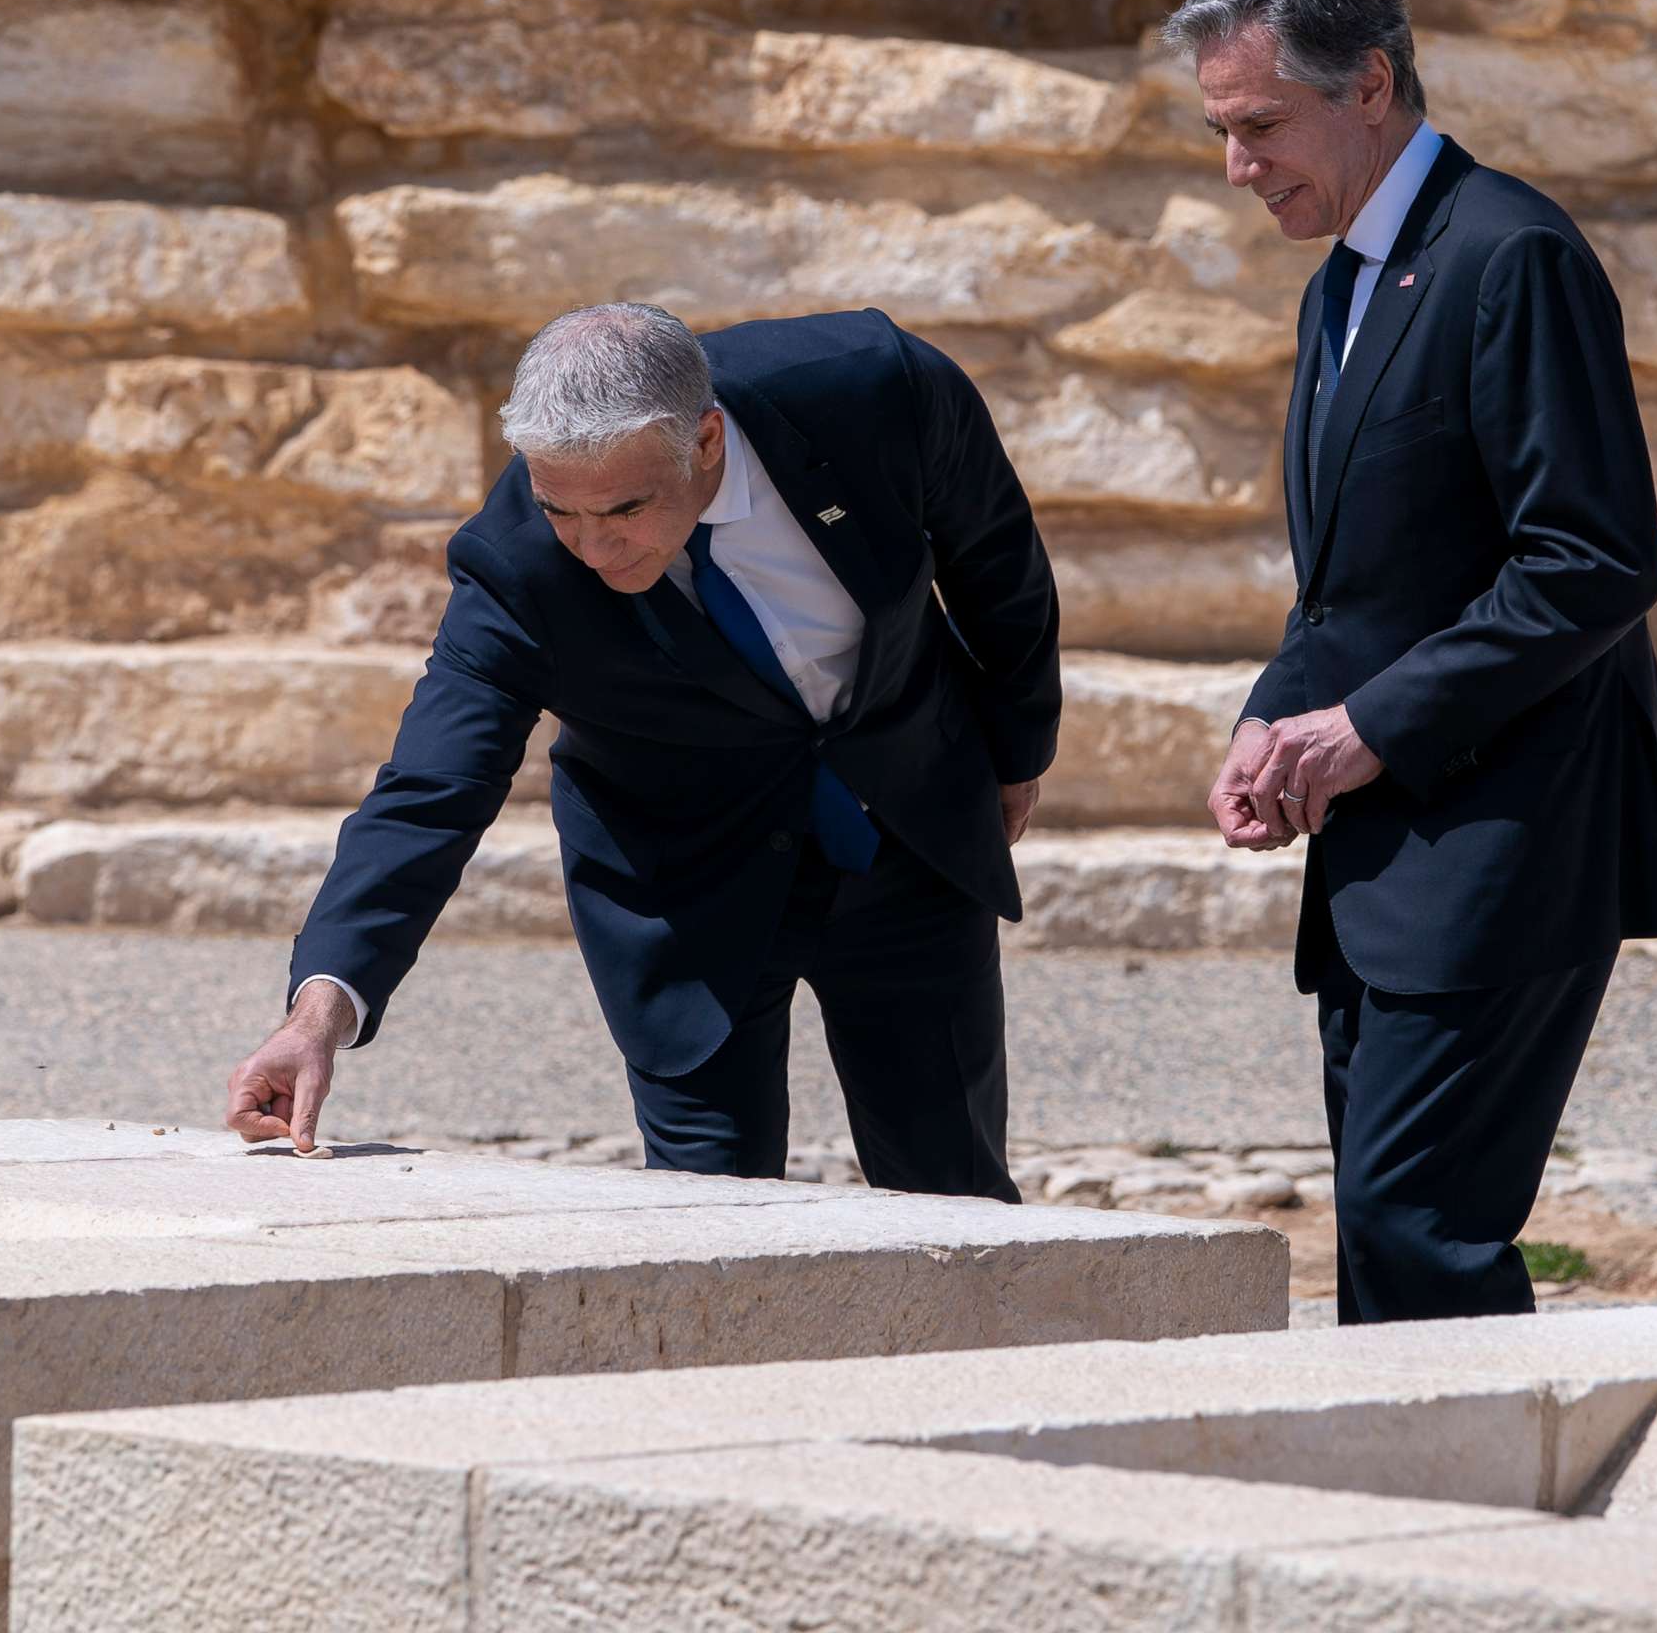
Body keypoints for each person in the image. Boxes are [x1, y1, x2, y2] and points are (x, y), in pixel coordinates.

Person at [224, 302, 1059, 1202]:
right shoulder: (513, 568)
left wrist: (1015, 754)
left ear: (705, 441)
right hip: (685, 882)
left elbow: (997, 562)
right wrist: (319, 1013)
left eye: (624, 508)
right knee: (706, 1224)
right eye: (562, 511)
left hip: (906, 827)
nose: (593, 546)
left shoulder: (875, 386)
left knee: (955, 1191)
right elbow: (432, 787)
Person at [1172, 0, 1657, 1323]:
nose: (1239, 167)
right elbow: (1353, 585)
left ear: (1372, 87)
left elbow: (1591, 560)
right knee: (1382, 1234)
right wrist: (1270, 719)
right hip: (1387, 862)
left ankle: (1473, 1538)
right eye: (1222, 132)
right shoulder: (1341, 279)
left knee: (1419, 1229)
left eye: (1261, 125)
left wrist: (1366, 731)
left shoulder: (1511, 254)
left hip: (1508, 844)